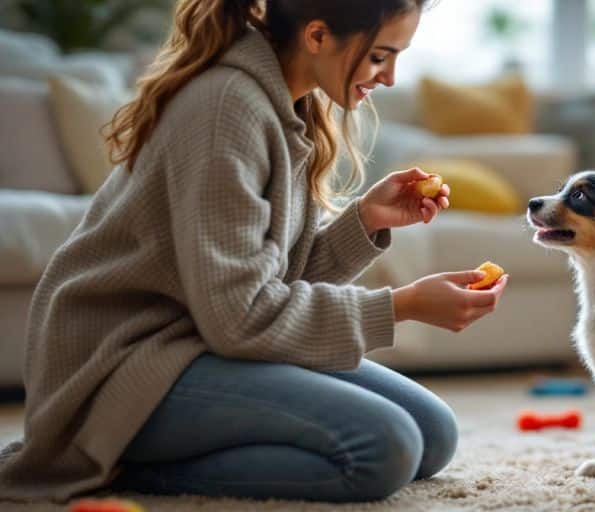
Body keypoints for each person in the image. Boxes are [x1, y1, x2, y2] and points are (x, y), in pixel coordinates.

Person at [0, 0, 508, 503]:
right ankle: (116, 461)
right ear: (317, 36)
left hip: (198, 341)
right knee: (383, 448)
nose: (391, 77)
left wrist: (365, 220)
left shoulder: (288, 103)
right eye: (379, 56)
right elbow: (240, 317)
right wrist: (404, 306)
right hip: (126, 367)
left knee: (433, 434)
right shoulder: (226, 109)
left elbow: (268, 285)